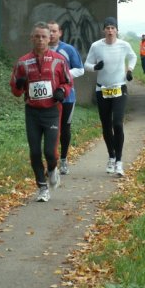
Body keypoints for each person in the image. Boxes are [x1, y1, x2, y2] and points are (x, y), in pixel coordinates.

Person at [10, 22, 73, 202]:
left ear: (50, 38)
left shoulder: (59, 60)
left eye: (44, 36)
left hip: (52, 111)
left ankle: (52, 169)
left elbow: (68, 82)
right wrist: (20, 85)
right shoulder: (23, 62)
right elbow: (15, 91)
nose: (40, 40)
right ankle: (42, 188)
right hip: (32, 112)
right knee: (35, 151)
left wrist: (62, 91)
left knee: (49, 152)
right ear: (32, 38)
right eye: (37, 36)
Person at [84, 17, 137, 176]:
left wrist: (129, 70)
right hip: (102, 90)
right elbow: (86, 65)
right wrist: (95, 67)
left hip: (119, 88)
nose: (110, 30)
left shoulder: (124, 45)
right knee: (106, 125)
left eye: (112, 28)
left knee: (117, 123)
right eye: (107, 28)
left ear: (117, 30)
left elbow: (133, 56)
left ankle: (119, 162)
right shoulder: (96, 46)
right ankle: (111, 157)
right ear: (103, 31)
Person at [47, 20, 84, 175]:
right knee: (50, 130)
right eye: (49, 31)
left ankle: (63, 160)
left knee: (64, 128)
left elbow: (80, 69)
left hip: (67, 97)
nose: (51, 34)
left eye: (54, 31)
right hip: (48, 97)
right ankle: (51, 162)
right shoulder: (42, 50)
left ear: (60, 33)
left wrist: (63, 76)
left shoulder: (68, 49)